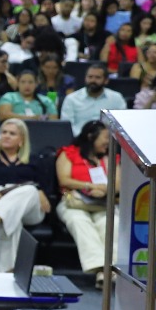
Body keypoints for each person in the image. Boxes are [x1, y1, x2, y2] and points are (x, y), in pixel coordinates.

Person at [0, 119, 50, 271]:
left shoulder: (35, 160)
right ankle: (9, 272)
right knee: (11, 220)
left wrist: (40, 191)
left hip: (29, 207)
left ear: (22, 139)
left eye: (12, 133)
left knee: (30, 189)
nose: (6, 136)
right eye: (4, 132)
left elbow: (46, 186)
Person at [56, 120, 112, 287]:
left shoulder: (111, 156)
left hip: (102, 202)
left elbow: (118, 182)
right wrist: (89, 186)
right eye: (105, 137)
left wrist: (104, 191)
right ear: (90, 136)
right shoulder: (69, 153)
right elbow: (64, 179)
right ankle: (100, 269)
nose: (108, 142)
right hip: (73, 201)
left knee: (110, 223)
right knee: (79, 221)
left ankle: (111, 271)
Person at [59, 63, 128, 135]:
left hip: (108, 141)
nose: (93, 80)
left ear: (106, 80)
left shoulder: (116, 98)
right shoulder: (71, 99)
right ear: (85, 78)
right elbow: (66, 127)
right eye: (90, 77)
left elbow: (123, 124)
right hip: (79, 141)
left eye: (97, 77)